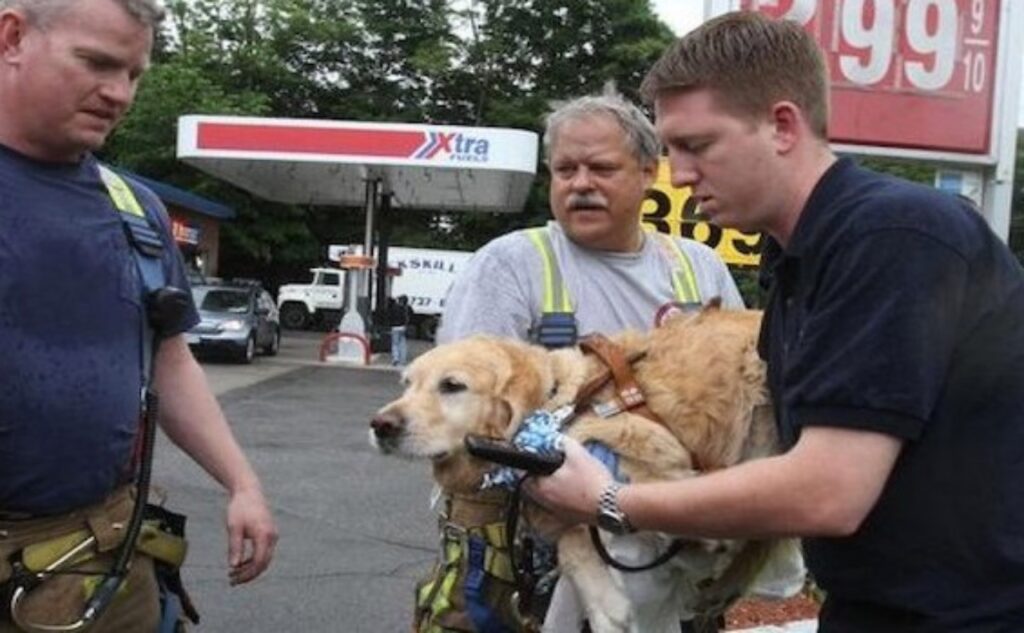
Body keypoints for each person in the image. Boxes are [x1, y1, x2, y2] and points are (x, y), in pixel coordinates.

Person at [528, 10, 1024, 632]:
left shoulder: (892, 236)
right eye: (671, 150)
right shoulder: (800, 257)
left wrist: (609, 501)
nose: (678, 175)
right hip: (879, 607)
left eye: (697, 146)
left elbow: (828, 491)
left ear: (783, 125)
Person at [0, 0, 277, 630]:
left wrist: (243, 483)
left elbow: (168, 357)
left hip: (105, 560)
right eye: (96, 63)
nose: (119, 94)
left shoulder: (136, 211)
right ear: (13, 37)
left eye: (134, 74)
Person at [438, 93, 746, 632]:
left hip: (674, 549)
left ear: (650, 172)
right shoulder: (511, 265)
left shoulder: (700, 270)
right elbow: (464, 423)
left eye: (601, 168)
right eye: (565, 169)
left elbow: (746, 403)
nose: (580, 183)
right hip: (529, 558)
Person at [388, 295, 413, 365]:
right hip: (403, 327)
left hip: (395, 327)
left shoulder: (394, 308)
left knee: (395, 344)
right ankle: (403, 359)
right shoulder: (407, 308)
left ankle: (396, 358)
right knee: (403, 343)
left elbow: (389, 316)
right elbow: (411, 315)